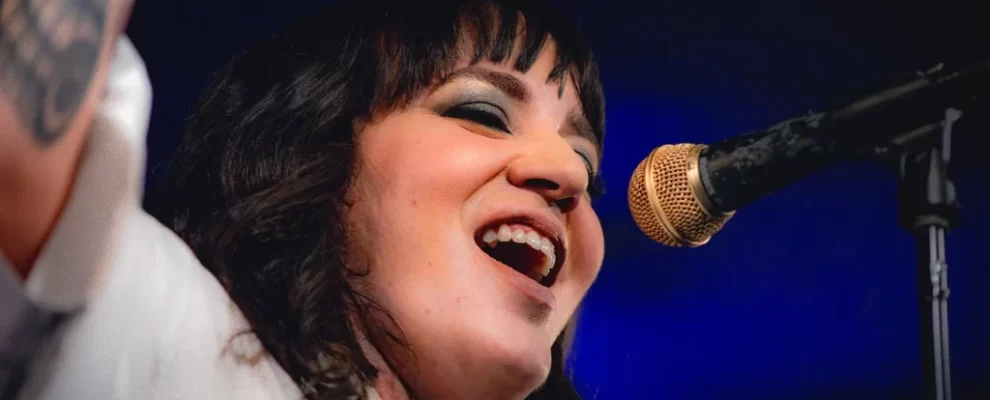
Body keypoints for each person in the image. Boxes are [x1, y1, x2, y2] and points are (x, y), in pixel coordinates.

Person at [0, 0, 606, 399]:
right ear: (320, 154)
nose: (568, 176)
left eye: (584, 163)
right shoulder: (173, 333)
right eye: (483, 114)